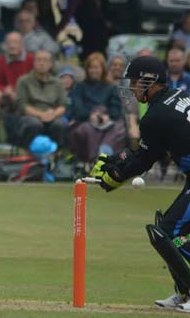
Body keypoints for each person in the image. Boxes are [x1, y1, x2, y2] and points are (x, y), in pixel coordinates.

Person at [90, 56, 190, 312]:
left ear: (150, 82)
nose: (132, 89)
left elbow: (144, 159)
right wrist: (118, 160)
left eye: (135, 83)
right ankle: (184, 292)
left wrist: (111, 178)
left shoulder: (155, 116)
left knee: (168, 234)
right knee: (168, 230)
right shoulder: (179, 95)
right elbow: (145, 152)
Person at [70, 52, 126, 173]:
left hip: (108, 122)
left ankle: (104, 154)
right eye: (91, 67)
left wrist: (107, 116)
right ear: (87, 69)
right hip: (86, 120)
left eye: (97, 67)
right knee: (87, 129)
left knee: (118, 127)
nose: (94, 70)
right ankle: (94, 161)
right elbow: (77, 109)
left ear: (102, 69)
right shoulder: (80, 87)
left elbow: (116, 109)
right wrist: (90, 115)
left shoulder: (111, 87)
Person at [5, 50, 68, 150]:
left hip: (52, 115)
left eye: (45, 60)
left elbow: (63, 105)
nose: (41, 63)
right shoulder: (23, 81)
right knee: (33, 124)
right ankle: (30, 155)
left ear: (50, 64)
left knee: (60, 125)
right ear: (34, 63)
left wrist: (54, 114)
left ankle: (55, 155)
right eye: (38, 60)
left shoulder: (58, 83)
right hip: (30, 115)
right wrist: (40, 115)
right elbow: (22, 105)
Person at [0, 31, 34, 143]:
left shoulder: (31, 59)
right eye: (9, 42)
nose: (12, 45)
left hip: (25, 93)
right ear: (6, 45)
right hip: (7, 93)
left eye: (15, 42)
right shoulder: (1, 60)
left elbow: (34, 82)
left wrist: (19, 93)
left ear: (21, 44)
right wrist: (5, 90)